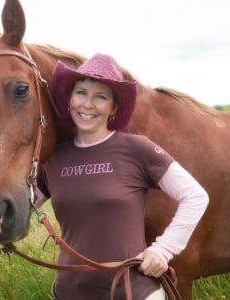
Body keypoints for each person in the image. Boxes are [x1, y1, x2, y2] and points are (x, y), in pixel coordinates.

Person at [35, 53, 209, 300]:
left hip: (131, 292)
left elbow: (195, 196)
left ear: (113, 107)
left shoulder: (137, 149)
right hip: (68, 292)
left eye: (101, 97)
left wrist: (162, 251)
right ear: (69, 98)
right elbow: (24, 204)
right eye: (81, 92)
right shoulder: (54, 158)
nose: (87, 104)